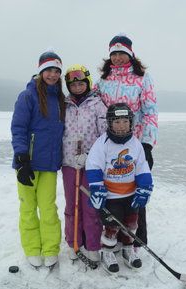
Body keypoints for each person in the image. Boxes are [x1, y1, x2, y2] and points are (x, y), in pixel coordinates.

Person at [94, 33, 158, 255]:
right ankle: (111, 237)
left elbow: (150, 111)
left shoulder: (142, 78)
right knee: (113, 192)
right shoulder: (104, 79)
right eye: (114, 54)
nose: (118, 58)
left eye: (122, 53)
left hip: (135, 143)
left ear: (130, 54)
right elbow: (91, 103)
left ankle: (135, 240)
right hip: (109, 143)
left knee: (136, 191)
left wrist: (147, 144)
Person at [10, 49, 65, 268]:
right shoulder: (27, 96)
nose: (53, 75)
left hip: (49, 165)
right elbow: (18, 128)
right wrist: (22, 158)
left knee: (49, 208)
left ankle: (51, 248)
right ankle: (32, 248)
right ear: (41, 71)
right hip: (28, 164)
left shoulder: (60, 98)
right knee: (28, 208)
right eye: (49, 70)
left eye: (56, 71)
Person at [85, 103, 154, 274]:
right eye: (116, 122)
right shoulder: (102, 143)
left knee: (131, 224)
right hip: (111, 196)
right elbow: (93, 166)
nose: (121, 126)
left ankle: (127, 249)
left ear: (131, 123)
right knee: (112, 226)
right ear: (109, 123)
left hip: (131, 194)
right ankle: (107, 252)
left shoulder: (135, 144)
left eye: (125, 121)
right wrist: (97, 188)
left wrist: (144, 187)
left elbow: (142, 166)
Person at [61, 64, 107, 263]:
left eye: (81, 83)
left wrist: (91, 155)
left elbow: (105, 134)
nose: (77, 87)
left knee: (90, 206)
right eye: (73, 85)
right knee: (72, 206)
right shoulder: (64, 105)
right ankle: (74, 242)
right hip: (69, 164)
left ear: (87, 83)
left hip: (92, 166)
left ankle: (93, 245)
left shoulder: (97, 104)